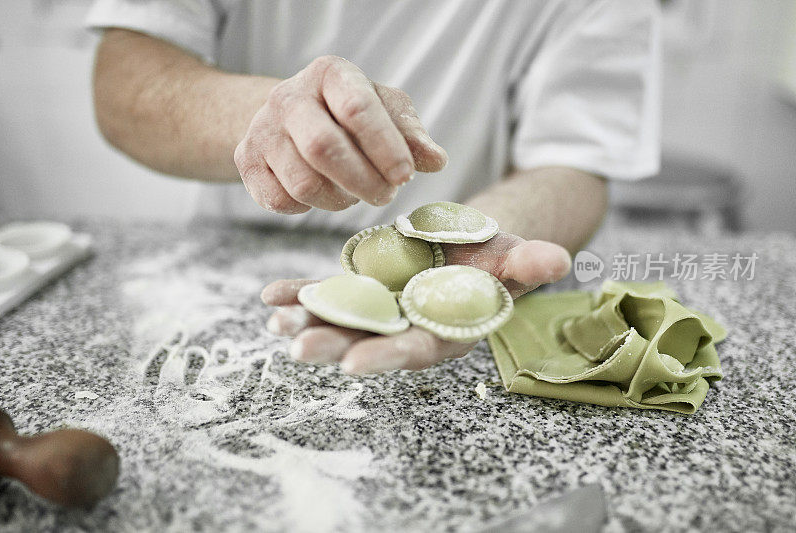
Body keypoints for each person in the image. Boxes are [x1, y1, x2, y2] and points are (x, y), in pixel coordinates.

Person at [87, 0, 660, 374]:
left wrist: (481, 250)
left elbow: (573, 164)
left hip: (475, 308)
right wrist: (270, 118)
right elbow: (125, 83)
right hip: (220, 270)